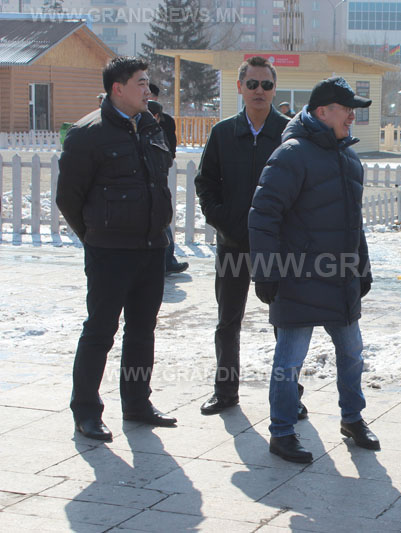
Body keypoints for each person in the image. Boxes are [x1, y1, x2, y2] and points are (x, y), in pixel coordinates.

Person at [249, 76, 378, 463]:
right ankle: (282, 431)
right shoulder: (292, 154)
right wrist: (266, 271)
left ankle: (352, 419)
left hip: (341, 279)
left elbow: (354, 222)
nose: (352, 117)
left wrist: (363, 266)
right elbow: (263, 215)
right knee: (289, 361)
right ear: (323, 111)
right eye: (347, 110)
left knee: (352, 354)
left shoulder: (348, 158)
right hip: (297, 278)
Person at [55, 57, 177, 441]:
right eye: (140, 82)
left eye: (148, 82)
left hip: (152, 247)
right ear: (117, 89)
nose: (147, 89)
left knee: (142, 330)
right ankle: (86, 410)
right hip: (109, 251)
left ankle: (137, 403)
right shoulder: (87, 134)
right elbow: (68, 198)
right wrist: (94, 235)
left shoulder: (151, 126)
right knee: (100, 330)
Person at [194, 56, 294, 416]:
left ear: (274, 89)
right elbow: (205, 183)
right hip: (233, 244)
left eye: (266, 85)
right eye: (252, 84)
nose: (259, 91)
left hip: (277, 247)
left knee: (285, 323)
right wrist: (222, 220)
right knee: (228, 321)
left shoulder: (289, 133)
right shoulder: (223, 132)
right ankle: (225, 392)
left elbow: (302, 185)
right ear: (240, 87)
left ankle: (289, 394)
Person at [148, 83, 188, 275]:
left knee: (162, 220)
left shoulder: (165, 124)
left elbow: (170, 147)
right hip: (142, 185)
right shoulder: (132, 123)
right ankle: (161, 262)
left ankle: (167, 261)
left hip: (158, 180)